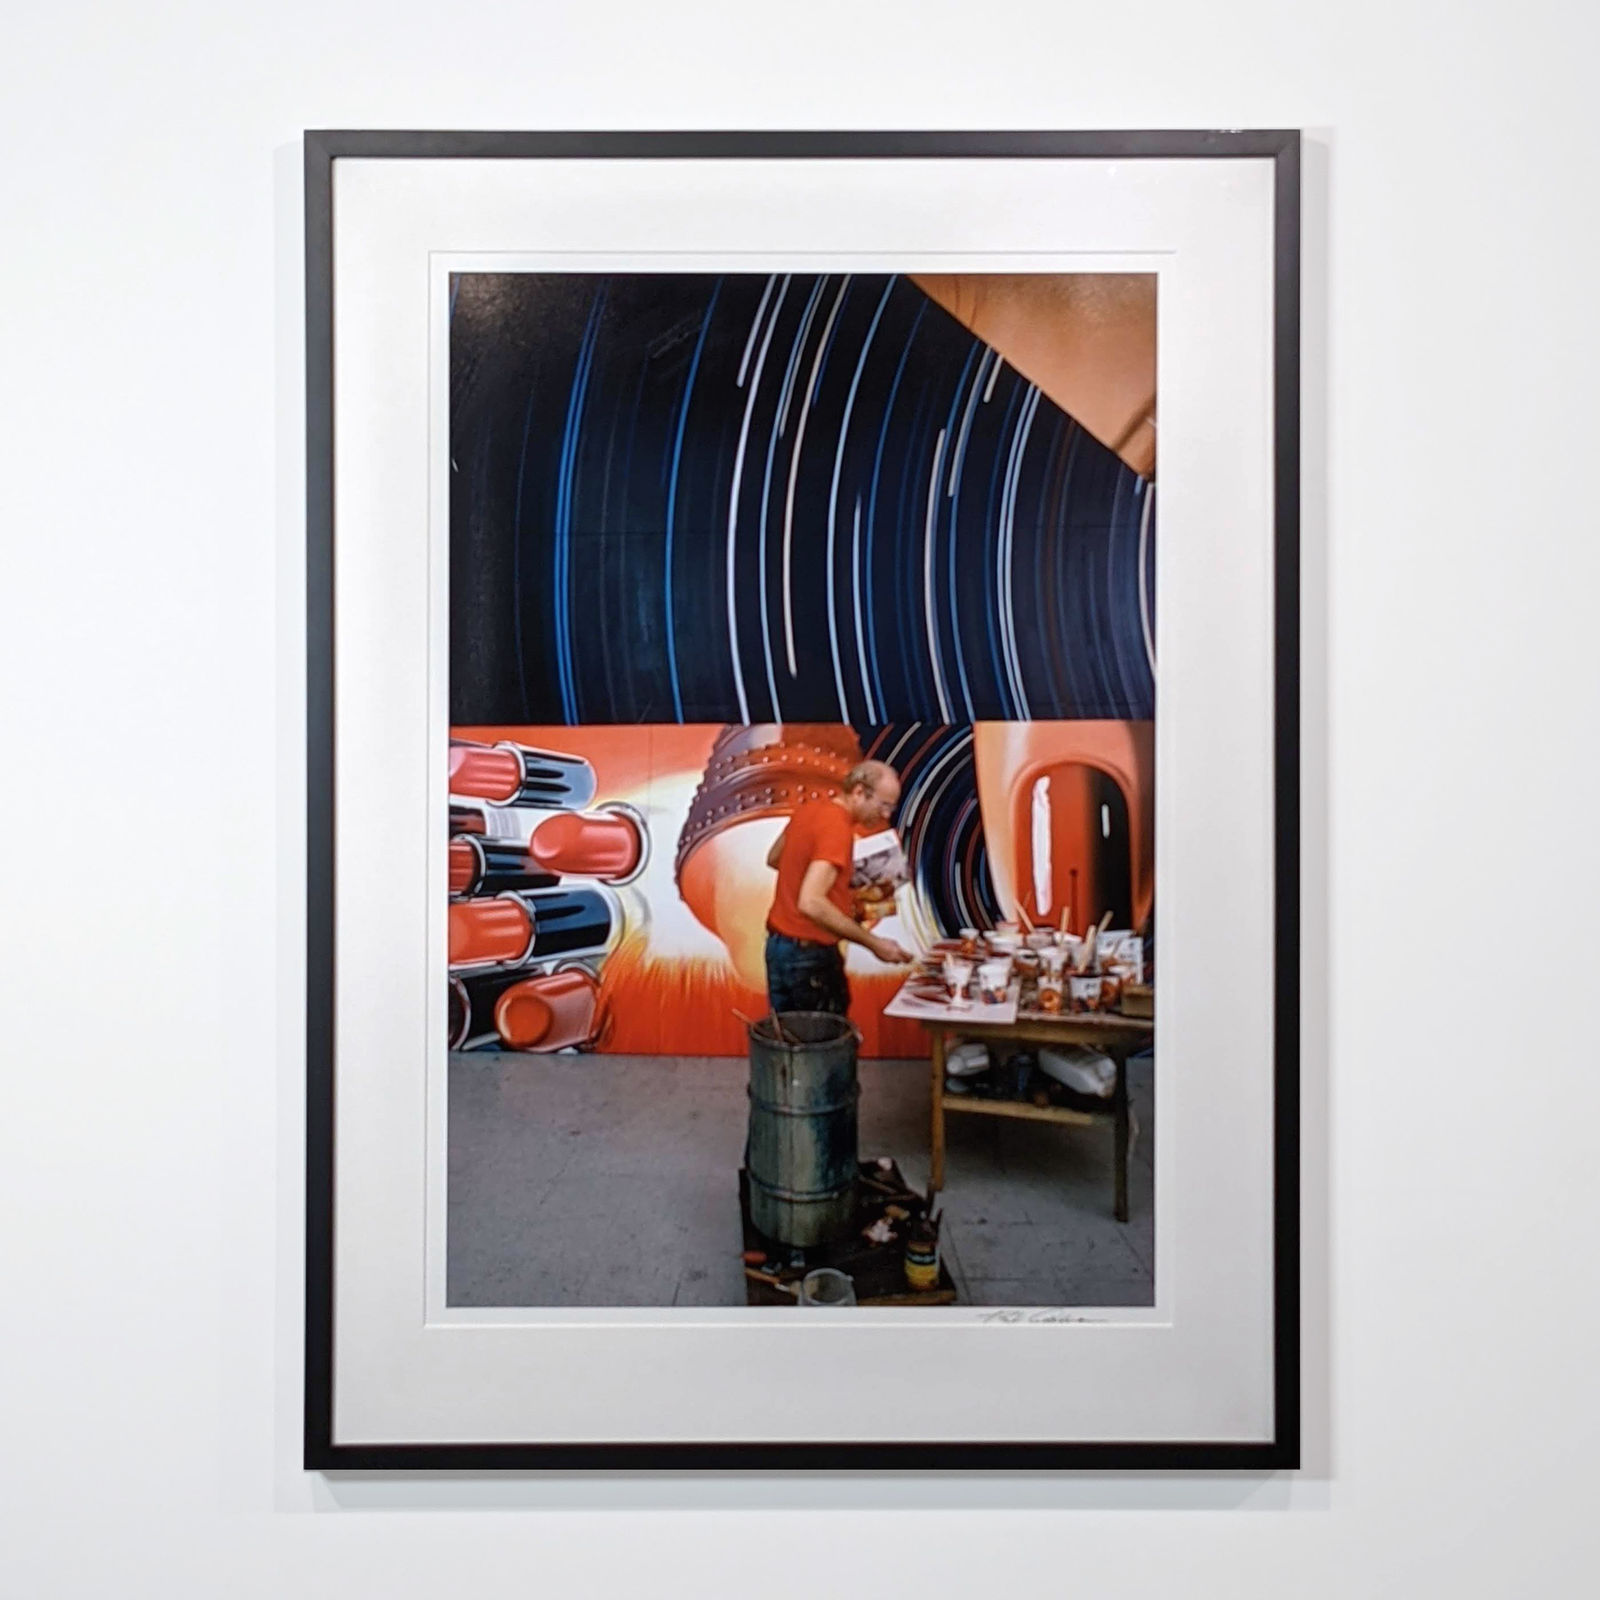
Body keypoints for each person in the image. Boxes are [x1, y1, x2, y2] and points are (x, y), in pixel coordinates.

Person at [763, 760, 914, 1017]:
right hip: (810, 958)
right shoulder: (837, 829)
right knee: (824, 1048)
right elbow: (811, 903)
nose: (886, 815)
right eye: (883, 805)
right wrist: (874, 943)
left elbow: (775, 858)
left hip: (779, 949)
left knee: (789, 1041)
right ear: (858, 792)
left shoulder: (809, 809)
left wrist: (838, 886)